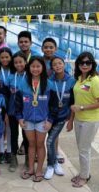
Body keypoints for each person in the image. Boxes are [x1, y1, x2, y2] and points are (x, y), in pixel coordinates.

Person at [16, 56, 57, 182]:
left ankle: (39, 170)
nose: (35, 69)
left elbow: (54, 105)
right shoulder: (23, 83)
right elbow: (18, 103)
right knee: (31, 144)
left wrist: (50, 121)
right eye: (33, 66)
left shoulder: (49, 84)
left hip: (42, 121)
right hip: (27, 120)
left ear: (43, 68)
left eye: (38, 66)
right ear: (29, 68)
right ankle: (30, 169)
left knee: (40, 144)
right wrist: (19, 118)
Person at [67, 51, 99, 188]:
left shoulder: (95, 80)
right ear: (78, 64)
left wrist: (82, 107)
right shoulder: (79, 78)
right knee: (82, 148)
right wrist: (71, 120)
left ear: (92, 64)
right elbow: (75, 101)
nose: (85, 65)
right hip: (78, 119)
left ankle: (84, 177)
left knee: (84, 149)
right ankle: (84, 173)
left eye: (88, 62)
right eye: (82, 62)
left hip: (90, 120)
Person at [44, 57, 75, 180]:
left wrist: (71, 119)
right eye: (55, 64)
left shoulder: (71, 81)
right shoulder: (49, 82)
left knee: (50, 141)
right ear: (52, 67)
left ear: (63, 64)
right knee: (52, 140)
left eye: (60, 63)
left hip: (62, 117)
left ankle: (51, 165)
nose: (57, 66)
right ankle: (54, 163)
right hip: (50, 116)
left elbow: (73, 102)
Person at [6, 52, 28, 172]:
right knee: (14, 134)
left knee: (26, 135)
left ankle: (27, 160)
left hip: (26, 111)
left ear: (25, 62)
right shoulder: (10, 77)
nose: (18, 64)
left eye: (21, 62)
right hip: (13, 111)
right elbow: (7, 95)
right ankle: (13, 157)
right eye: (16, 62)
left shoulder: (29, 77)